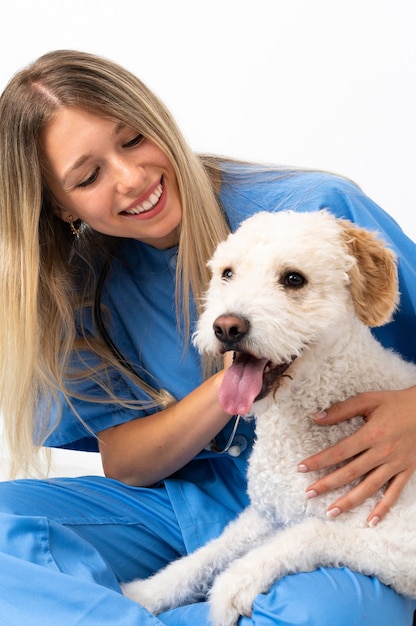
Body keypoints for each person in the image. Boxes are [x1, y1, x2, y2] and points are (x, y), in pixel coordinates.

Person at [0, 49, 415, 626]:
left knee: (333, 612)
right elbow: (126, 463)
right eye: (89, 176)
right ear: (59, 206)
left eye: (135, 139)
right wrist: (236, 377)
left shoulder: (314, 212)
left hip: (354, 503)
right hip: (184, 507)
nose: (132, 179)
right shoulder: (77, 287)